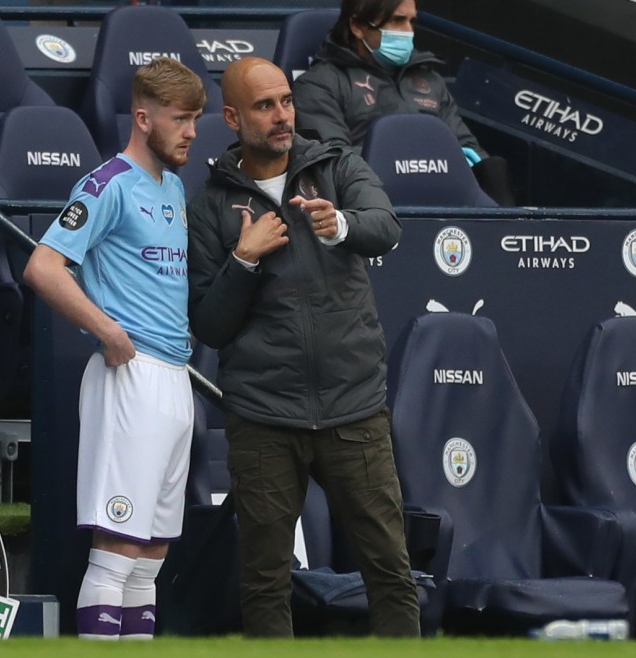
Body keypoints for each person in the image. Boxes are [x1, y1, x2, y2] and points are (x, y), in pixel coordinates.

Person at [187, 57, 420, 638]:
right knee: (265, 580)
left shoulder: (336, 165)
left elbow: (385, 225)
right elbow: (210, 326)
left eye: (286, 101)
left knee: (391, 571)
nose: (281, 115)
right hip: (265, 416)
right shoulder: (210, 205)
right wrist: (244, 259)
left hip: (354, 408)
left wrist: (339, 224)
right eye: (265, 106)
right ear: (233, 117)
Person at [23, 57, 204, 640]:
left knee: (151, 551)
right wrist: (106, 328)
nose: (192, 132)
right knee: (117, 544)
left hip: (175, 374)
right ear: (143, 117)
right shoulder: (105, 184)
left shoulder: (174, 186)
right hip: (130, 377)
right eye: (181, 119)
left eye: (196, 119)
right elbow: (43, 267)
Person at [292, 0, 514, 205]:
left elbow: (469, 149)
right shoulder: (319, 84)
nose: (408, 32)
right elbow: (333, 162)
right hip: (369, 207)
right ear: (358, 26)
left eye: (412, 22)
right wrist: (409, 160)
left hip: (444, 199)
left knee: (493, 170)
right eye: (397, 20)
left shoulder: (430, 80)